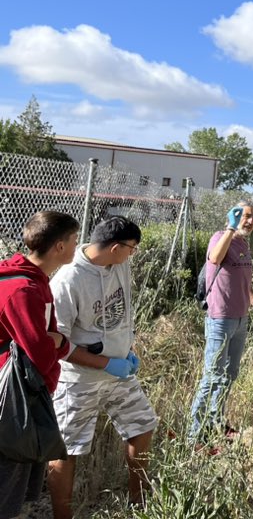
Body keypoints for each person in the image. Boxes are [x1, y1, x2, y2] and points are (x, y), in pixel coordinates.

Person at [47, 217, 159, 519]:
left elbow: (119, 314)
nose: (132, 255)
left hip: (118, 374)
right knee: (67, 450)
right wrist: (106, 362)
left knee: (143, 426)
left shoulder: (119, 264)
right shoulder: (68, 281)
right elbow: (57, 342)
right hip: (79, 380)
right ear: (114, 247)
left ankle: (139, 503)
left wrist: (126, 351)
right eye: (131, 249)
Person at [0, 211, 76, 519]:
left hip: (24, 394)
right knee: (6, 485)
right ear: (58, 246)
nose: (76, 245)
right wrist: (58, 342)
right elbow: (41, 352)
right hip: (13, 400)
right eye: (73, 239)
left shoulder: (33, 280)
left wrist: (56, 340)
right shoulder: (23, 290)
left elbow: (51, 337)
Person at [189, 203, 253, 445]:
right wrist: (230, 228)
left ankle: (217, 422)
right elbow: (215, 258)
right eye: (246, 216)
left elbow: (244, 283)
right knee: (212, 376)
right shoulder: (220, 237)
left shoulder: (244, 245)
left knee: (229, 375)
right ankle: (194, 435)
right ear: (236, 216)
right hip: (220, 318)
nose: (250, 222)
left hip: (240, 319)